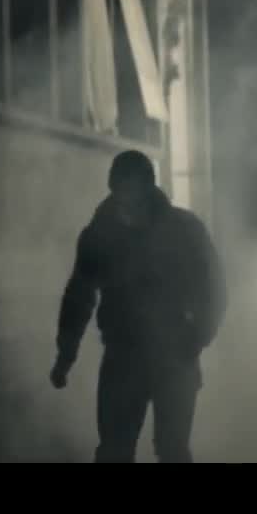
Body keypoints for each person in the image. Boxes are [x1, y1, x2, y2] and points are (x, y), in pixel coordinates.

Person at [49, 150, 226, 463]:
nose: (128, 198)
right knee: (117, 451)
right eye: (122, 187)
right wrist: (65, 355)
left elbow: (213, 289)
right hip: (127, 356)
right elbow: (79, 297)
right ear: (113, 188)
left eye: (133, 187)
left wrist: (197, 337)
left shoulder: (182, 230)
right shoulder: (99, 235)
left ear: (148, 187)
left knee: (170, 450)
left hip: (173, 355)